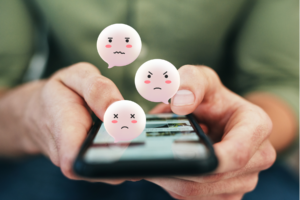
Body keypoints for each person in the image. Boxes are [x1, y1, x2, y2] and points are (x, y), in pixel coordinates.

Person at [0, 0, 298, 199]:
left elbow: (281, 82)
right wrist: (30, 114)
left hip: (212, 143)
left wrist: (248, 134)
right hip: (58, 149)